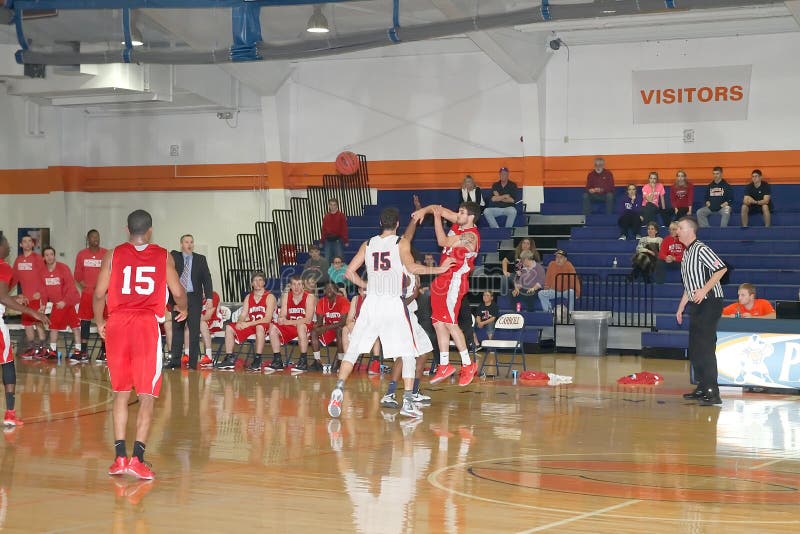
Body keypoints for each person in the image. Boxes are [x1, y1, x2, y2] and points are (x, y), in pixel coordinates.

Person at [327, 207, 453, 419]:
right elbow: (412, 268)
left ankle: (338, 388)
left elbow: (348, 272)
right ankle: (408, 402)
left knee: (354, 349)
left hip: (371, 303)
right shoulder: (400, 243)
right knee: (409, 352)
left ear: (380, 224)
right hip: (392, 303)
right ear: (396, 224)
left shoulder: (368, 243)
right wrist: (439, 270)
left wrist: (365, 285)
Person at [93, 209, 188, 479]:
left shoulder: (112, 254)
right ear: (149, 231)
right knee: (146, 395)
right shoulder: (162, 255)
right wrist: (184, 309)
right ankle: (138, 459)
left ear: (127, 230)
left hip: (118, 325)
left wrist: (100, 321)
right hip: (146, 326)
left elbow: (99, 293)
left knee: (121, 392)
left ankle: (119, 458)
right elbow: (178, 292)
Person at [411, 202, 481, 386]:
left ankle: (468, 364)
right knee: (438, 322)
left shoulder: (470, 237)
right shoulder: (459, 222)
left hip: (455, 281)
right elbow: (440, 209)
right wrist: (423, 211)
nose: (458, 214)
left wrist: (435, 218)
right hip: (442, 278)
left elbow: (442, 242)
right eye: (458, 211)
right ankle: (444, 364)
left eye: (462, 212)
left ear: (471, 217)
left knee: (450, 323)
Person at [675, 216, 727, 406]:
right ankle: (702, 387)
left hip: (710, 302)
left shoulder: (701, 249)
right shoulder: (686, 254)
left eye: (680, 227)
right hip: (697, 303)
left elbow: (721, 269)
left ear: (690, 230)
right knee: (696, 347)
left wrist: (705, 289)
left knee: (705, 347)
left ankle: (713, 392)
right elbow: (690, 286)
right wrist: (681, 307)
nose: (677, 231)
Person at [0, 232, 50, 427]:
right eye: (5, 243)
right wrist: (33, 312)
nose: (9, 246)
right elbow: (3, 297)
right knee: (7, 363)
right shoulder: (3, 266)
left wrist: (14, 299)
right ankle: (10, 413)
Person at [380, 257, 435, 410]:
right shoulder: (397, 277)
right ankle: (389, 394)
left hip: (411, 318)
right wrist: (415, 295)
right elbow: (398, 304)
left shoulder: (410, 272)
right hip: (399, 319)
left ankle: (415, 391)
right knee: (403, 357)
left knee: (424, 351)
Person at [167, 234, 213, 370]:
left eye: (191, 242)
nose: (189, 244)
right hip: (178, 297)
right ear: (181, 244)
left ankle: (193, 363)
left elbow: (207, 279)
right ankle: (175, 361)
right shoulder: (175, 257)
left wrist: (209, 297)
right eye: (186, 242)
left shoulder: (200, 259)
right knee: (177, 330)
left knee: (194, 330)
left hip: (194, 298)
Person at [216, 272, 277, 371]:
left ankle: (257, 359)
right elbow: (243, 314)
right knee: (229, 327)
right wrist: (240, 322)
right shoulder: (249, 297)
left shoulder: (270, 296)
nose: (257, 283)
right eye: (255, 280)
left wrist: (247, 323)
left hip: (266, 325)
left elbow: (267, 318)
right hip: (252, 324)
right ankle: (229, 358)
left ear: (264, 283)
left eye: (260, 280)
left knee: (259, 327)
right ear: (252, 283)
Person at [266, 275, 316, 373]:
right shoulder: (286, 296)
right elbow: (283, 314)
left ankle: (303, 361)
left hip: (305, 326)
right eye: (294, 284)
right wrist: (281, 318)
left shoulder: (310, 297)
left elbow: (308, 319)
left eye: (299, 284)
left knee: (301, 326)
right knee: (272, 328)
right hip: (292, 326)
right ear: (290, 286)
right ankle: (277, 360)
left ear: (303, 286)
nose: (296, 287)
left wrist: (288, 322)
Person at [41, 247, 81, 361]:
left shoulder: (63, 268)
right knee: (55, 325)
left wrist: (65, 301)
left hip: (70, 301)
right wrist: (43, 304)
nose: (49, 257)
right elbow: (43, 290)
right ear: (43, 257)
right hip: (57, 304)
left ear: (54, 255)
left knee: (74, 326)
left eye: (51, 254)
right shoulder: (43, 272)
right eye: (47, 255)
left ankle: (78, 351)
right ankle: (53, 351)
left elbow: (71, 286)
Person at [74, 229, 107, 361]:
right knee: (85, 322)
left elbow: (111, 272)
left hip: (103, 294)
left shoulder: (105, 253)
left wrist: (103, 288)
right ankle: (84, 351)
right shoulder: (82, 254)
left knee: (104, 321)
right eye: (93, 237)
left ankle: (104, 351)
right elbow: (77, 274)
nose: (96, 239)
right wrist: (86, 287)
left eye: (97, 236)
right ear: (88, 239)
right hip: (88, 294)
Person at [11, 235, 46, 359]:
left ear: (32, 244)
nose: (26, 243)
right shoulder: (18, 260)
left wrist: (41, 294)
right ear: (21, 245)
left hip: (37, 298)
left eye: (29, 241)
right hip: (25, 299)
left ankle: (42, 349)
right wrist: (4, 293)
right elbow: (13, 279)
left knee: (38, 322)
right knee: (27, 324)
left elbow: (44, 277)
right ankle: (31, 348)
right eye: (24, 241)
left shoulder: (37, 259)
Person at [338, 284, 382, 375]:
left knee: (374, 331)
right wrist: (354, 329)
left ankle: (376, 363)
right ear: (359, 290)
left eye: (368, 290)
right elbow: (349, 319)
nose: (366, 292)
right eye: (364, 290)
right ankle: (350, 360)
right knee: (345, 329)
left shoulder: (376, 299)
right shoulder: (356, 299)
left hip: (371, 327)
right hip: (358, 328)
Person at [310, 281, 350, 372]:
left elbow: (343, 322)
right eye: (327, 288)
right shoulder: (321, 302)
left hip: (344, 329)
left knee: (340, 330)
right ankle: (317, 361)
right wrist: (316, 327)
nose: (329, 290)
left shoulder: (343, 301)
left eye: (332, 288)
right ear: (324, 291)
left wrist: (325, 328)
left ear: (336, 290)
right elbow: (320, 322)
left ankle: (340, 360)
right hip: (331, 328)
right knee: (314, 331)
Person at [538, 250, 580, 314]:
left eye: (561, 257)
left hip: (566, 291)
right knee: (541, 293)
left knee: (572, 292)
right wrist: (546, 288)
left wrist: (577, 292)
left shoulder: (569, 265)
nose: (558, 259)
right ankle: (549, 313)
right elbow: (547, 277)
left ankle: (570, 313)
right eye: (557, 257)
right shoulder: (551, 264)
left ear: (565, 259)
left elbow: (574, 279)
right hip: (553, 291)